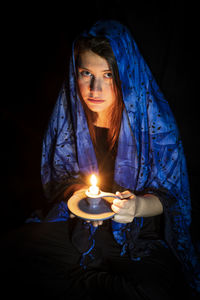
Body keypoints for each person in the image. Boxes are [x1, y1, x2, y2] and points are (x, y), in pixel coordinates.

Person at [2, 20, 200, 299]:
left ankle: (82, 280)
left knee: (156, 291)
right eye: (85, 73)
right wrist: (79, 196)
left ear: (126, 74)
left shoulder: (155, 124)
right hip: (79, 228)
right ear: (75, 73)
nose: (95, 88)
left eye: (108, 75)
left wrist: (138, 206)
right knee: (12, 250)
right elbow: (61, 178)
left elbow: (174, 199)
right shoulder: (70, 115)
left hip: (137, 237)